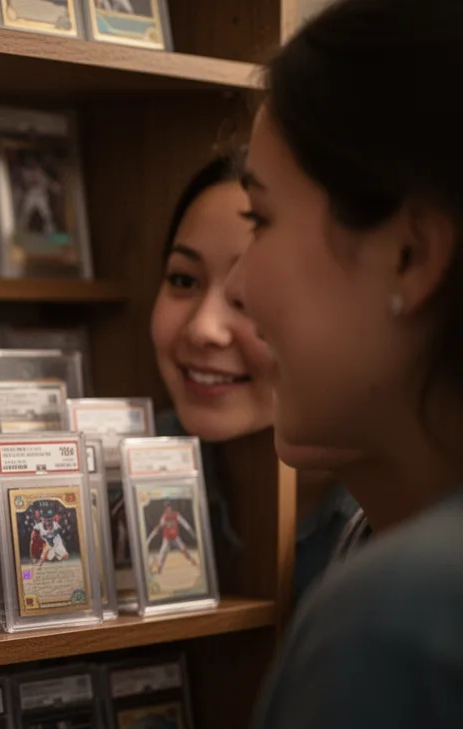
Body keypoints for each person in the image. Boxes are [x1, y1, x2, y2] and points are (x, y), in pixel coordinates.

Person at [226, 0, 463, 729]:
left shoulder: (402, 617)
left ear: (408, 255)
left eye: (260, 219)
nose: (238, 287)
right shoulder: (371, 545)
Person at [150, 153, 360, 603]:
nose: (203, 329)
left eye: (247, 295)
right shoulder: (127, 466)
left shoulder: (394, 515)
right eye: (183, 280)